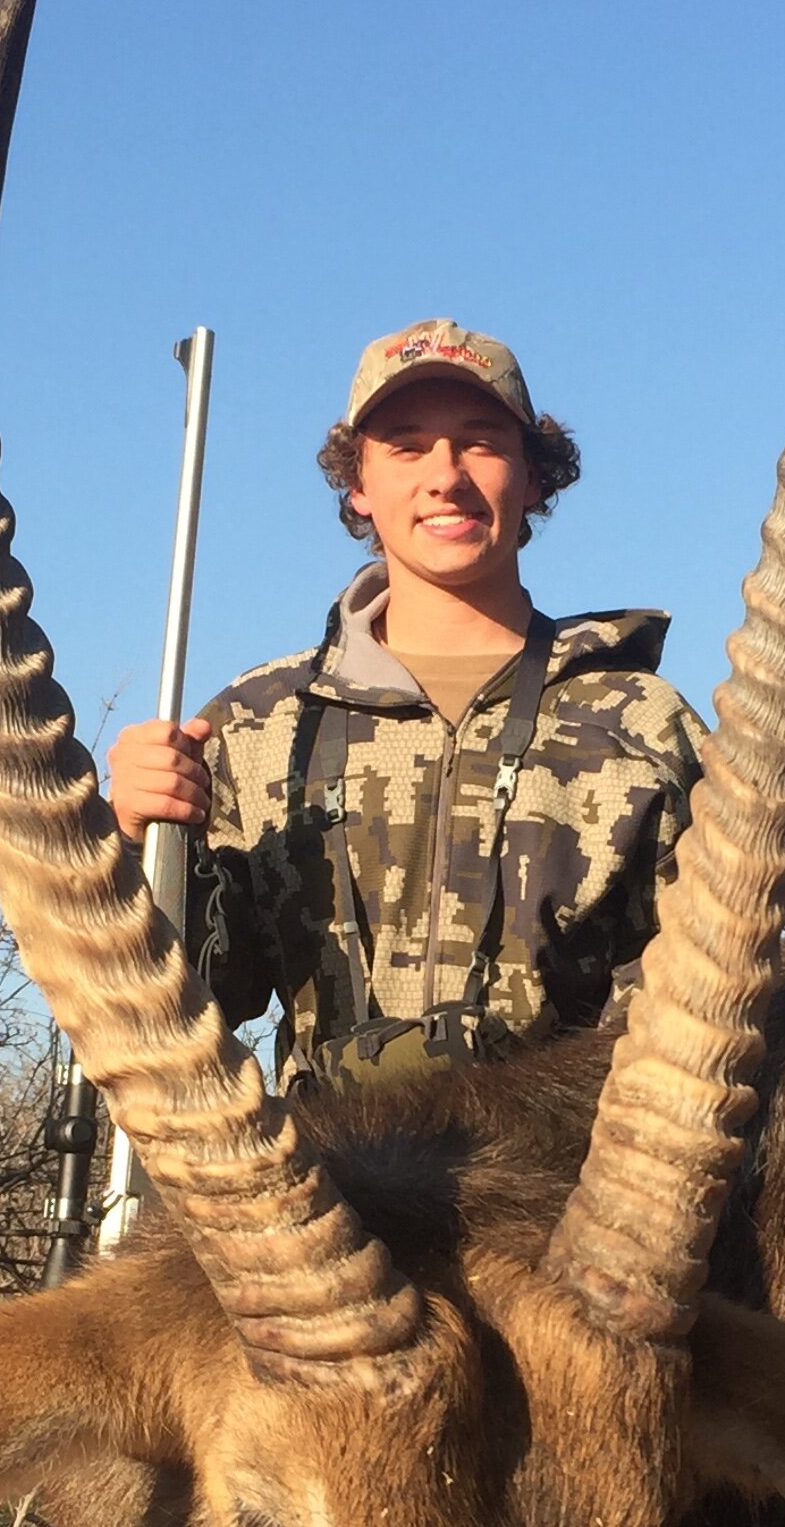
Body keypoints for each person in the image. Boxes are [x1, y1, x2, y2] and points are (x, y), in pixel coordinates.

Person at [106, 319, 704, 1089]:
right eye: (407, 446)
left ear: (534, 479)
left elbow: (699, 1006)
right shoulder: (259, 722)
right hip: (321, 1185)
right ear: (359, 483)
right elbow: (194, 1002)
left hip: (568, 1186)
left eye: (482, 443)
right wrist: (125, 838)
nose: (445, 476)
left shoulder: (642, 720)